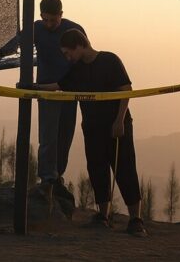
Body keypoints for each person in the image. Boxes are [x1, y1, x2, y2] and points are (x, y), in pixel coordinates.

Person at [37, 28, 147, 236]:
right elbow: (59, 86)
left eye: (68, 52)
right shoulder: (77, 69)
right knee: (97, 169)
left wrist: (119, 121)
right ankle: (103, 216)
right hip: (92, 127)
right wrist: (33, 88)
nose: (67, 57)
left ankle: (136, 220)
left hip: (116, 125)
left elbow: (126, 90)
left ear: (79, 45)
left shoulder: (110, 60)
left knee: (124, 169)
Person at [0, 0, 81, 201]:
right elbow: (18, 42)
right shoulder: (36, 29)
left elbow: (84, 55)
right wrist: (1, 51)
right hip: (46, 90)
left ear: (61, 15)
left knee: (65, 137)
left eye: (53, 20)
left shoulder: (74, 30)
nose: (49, 24)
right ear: (41, 16)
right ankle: (48, 179)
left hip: (69, 90)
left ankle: (58, 177)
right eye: (46, 19)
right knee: (48, 137)